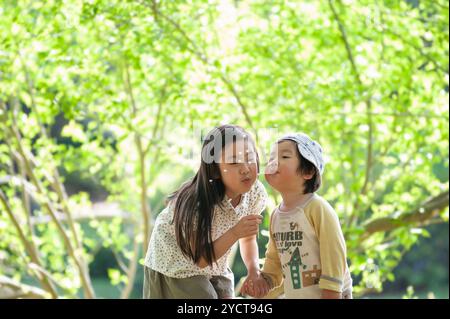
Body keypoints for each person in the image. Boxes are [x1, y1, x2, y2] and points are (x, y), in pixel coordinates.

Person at [143, 124, 268, 298]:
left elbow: (248, 238)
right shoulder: (198, 203)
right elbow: (201, 259)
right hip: (176, 264)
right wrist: (234, 232)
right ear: (215, 170)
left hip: (215, 259)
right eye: (233, 162)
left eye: (250, 158)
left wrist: (253, 270)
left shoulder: (255, 193)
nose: (245, 168)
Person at [241, 133, 352, 299]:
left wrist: (332, 293)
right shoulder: (276, 216)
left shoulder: (317, 208)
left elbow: (334, 254)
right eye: (271, 158)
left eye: (284, 156)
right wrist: (264, 282)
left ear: (307, 171)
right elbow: (274, 260)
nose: (273, 162)